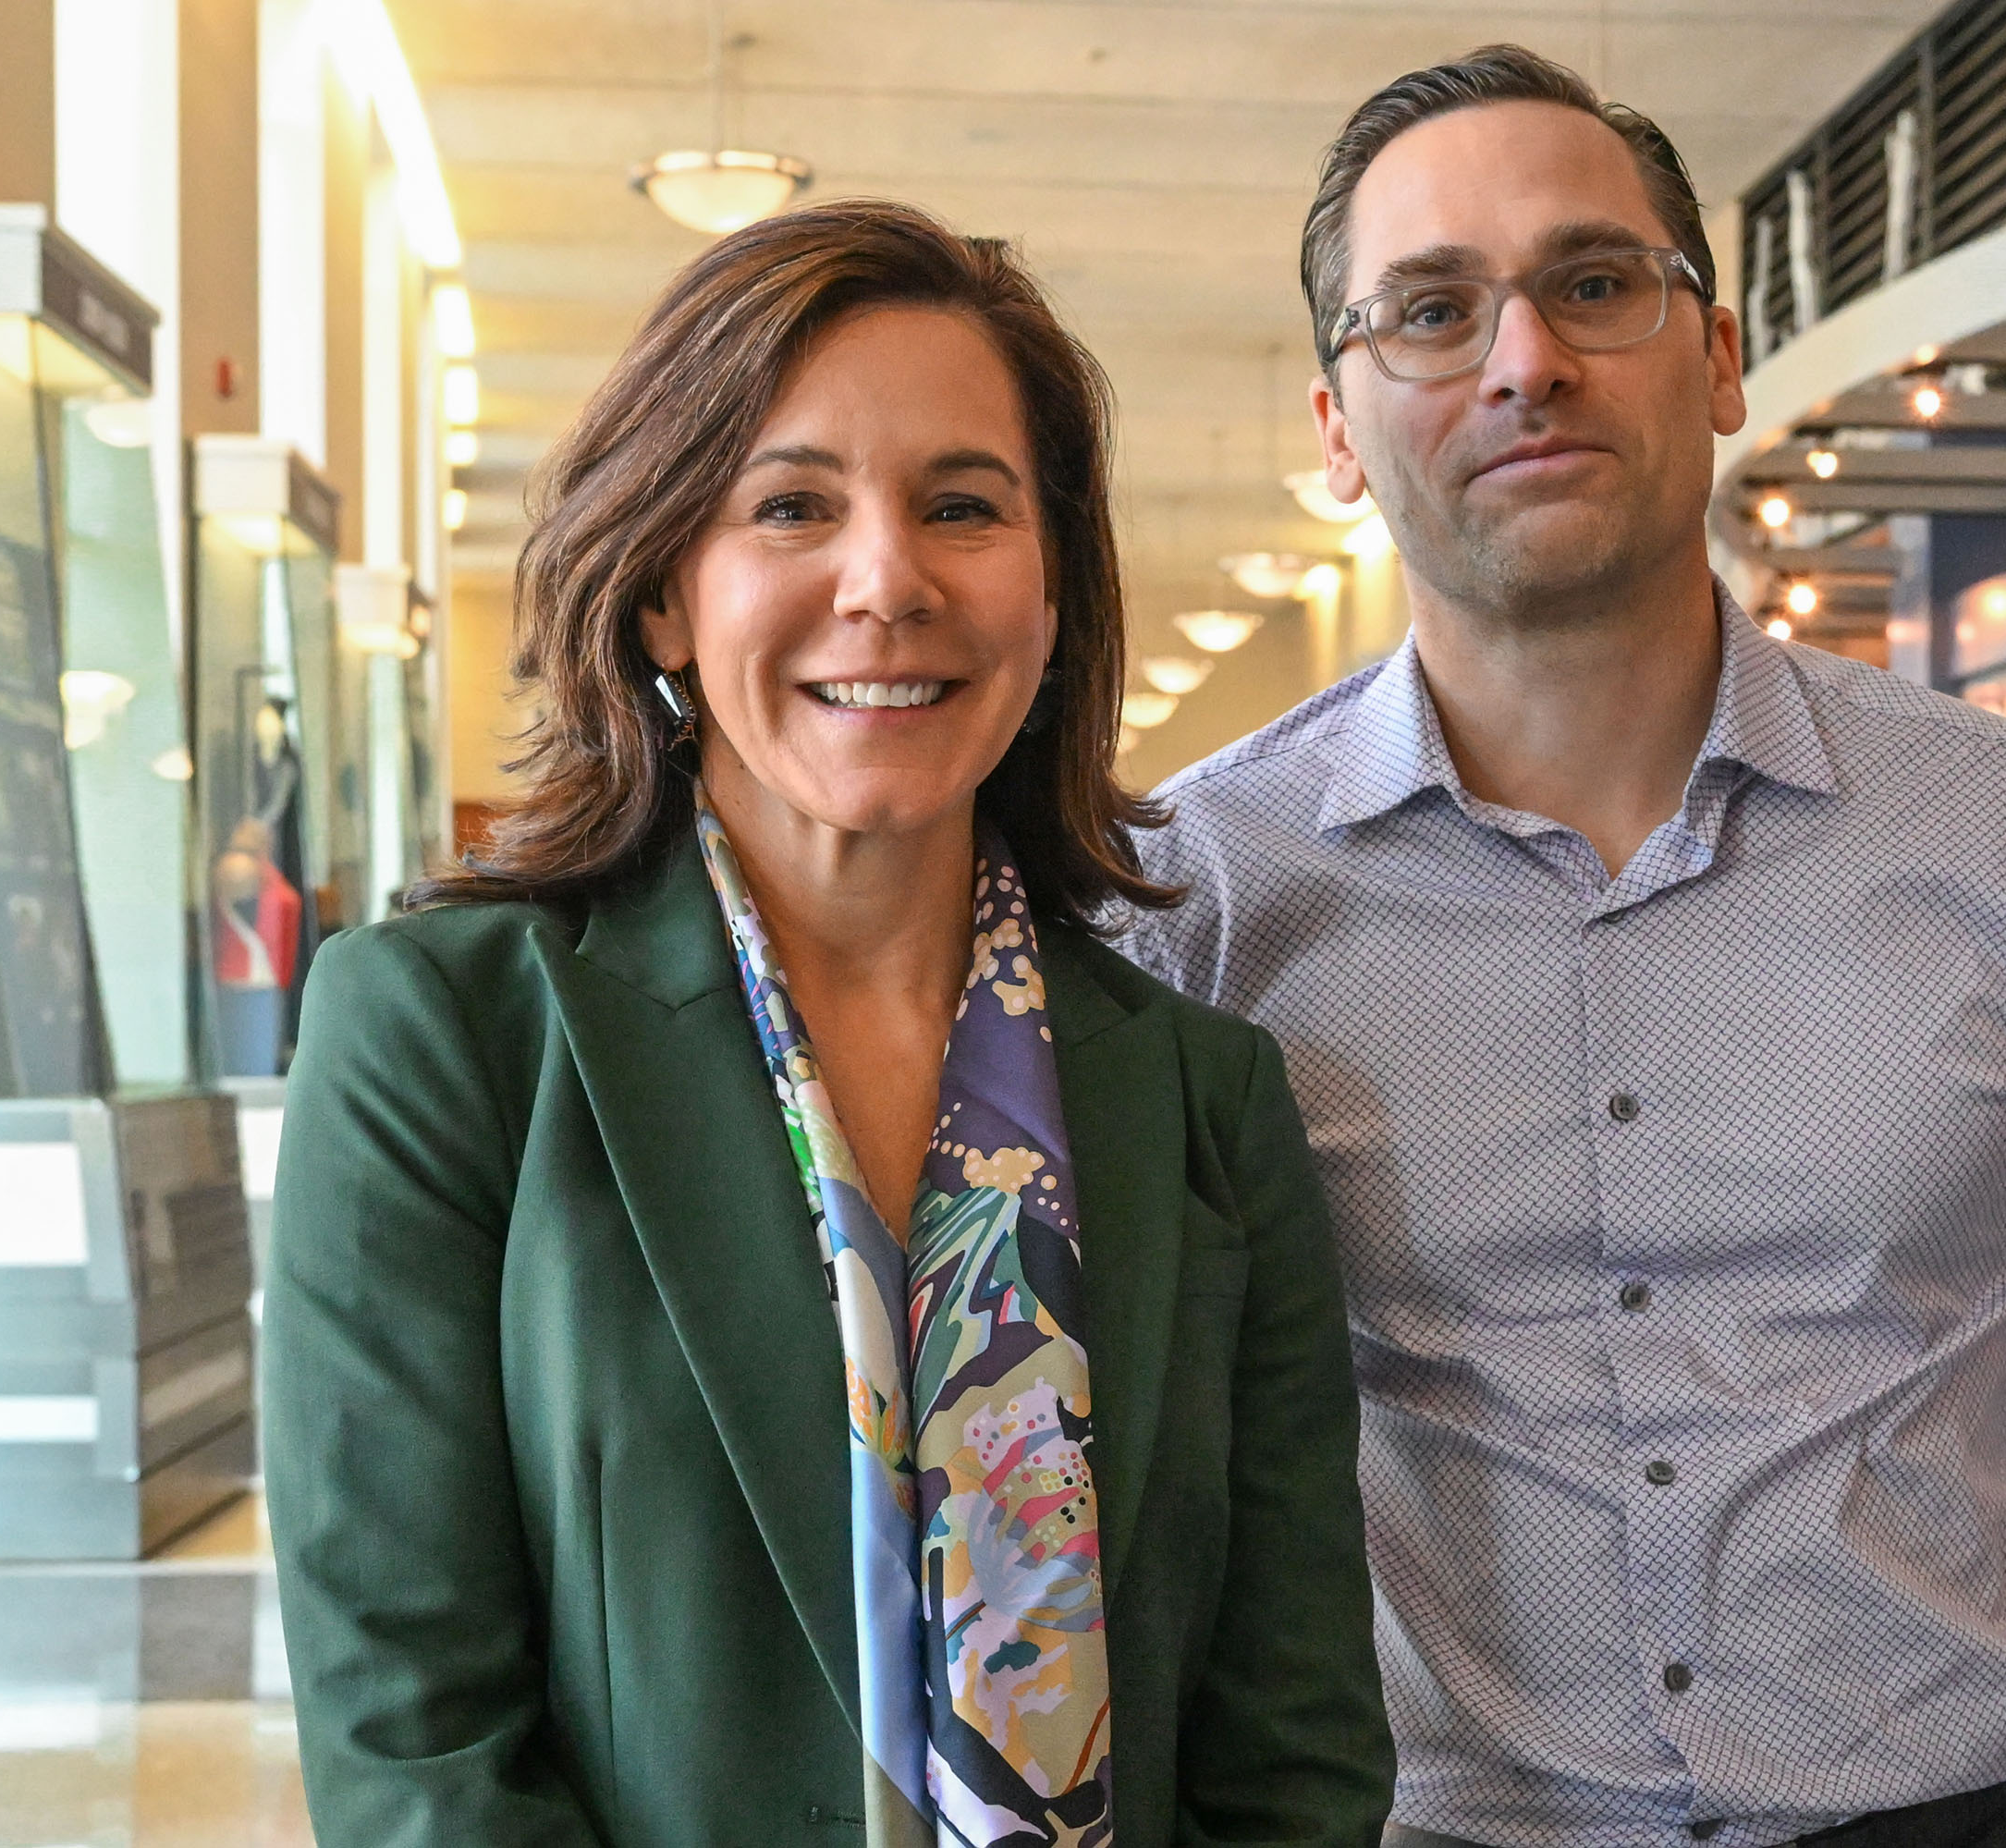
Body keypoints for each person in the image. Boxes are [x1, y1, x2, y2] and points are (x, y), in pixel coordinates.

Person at [1122, 47, 2006, 1848]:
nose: (1524, 360)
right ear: (1336, 428)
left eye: (1594, 283)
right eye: (1428, 310)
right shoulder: (1195, 902)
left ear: (1716, 359)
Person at [263, 202, 1392, 1848]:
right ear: (663, 596)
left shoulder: (1208, 1095)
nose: (888, 580)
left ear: (1054, 594)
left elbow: (1291, 1748)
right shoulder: (445, 1041)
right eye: (792, 505)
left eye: (964, 506)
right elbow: (413, 1740)